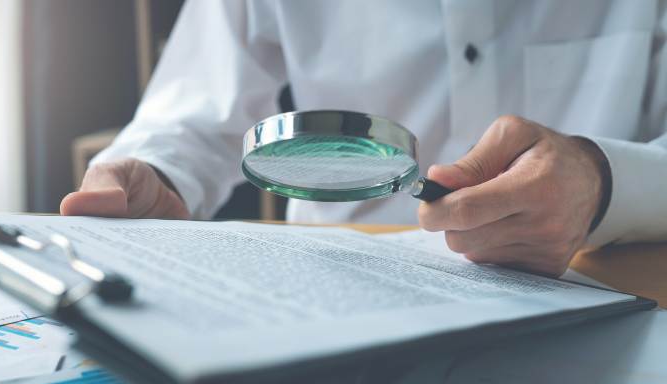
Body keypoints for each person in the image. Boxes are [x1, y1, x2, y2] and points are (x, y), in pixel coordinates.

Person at [61, 0, 667, 277]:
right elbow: (192, 114)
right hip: (330, 289)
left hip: (599, 279)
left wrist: (602, 180)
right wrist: (158, 173)